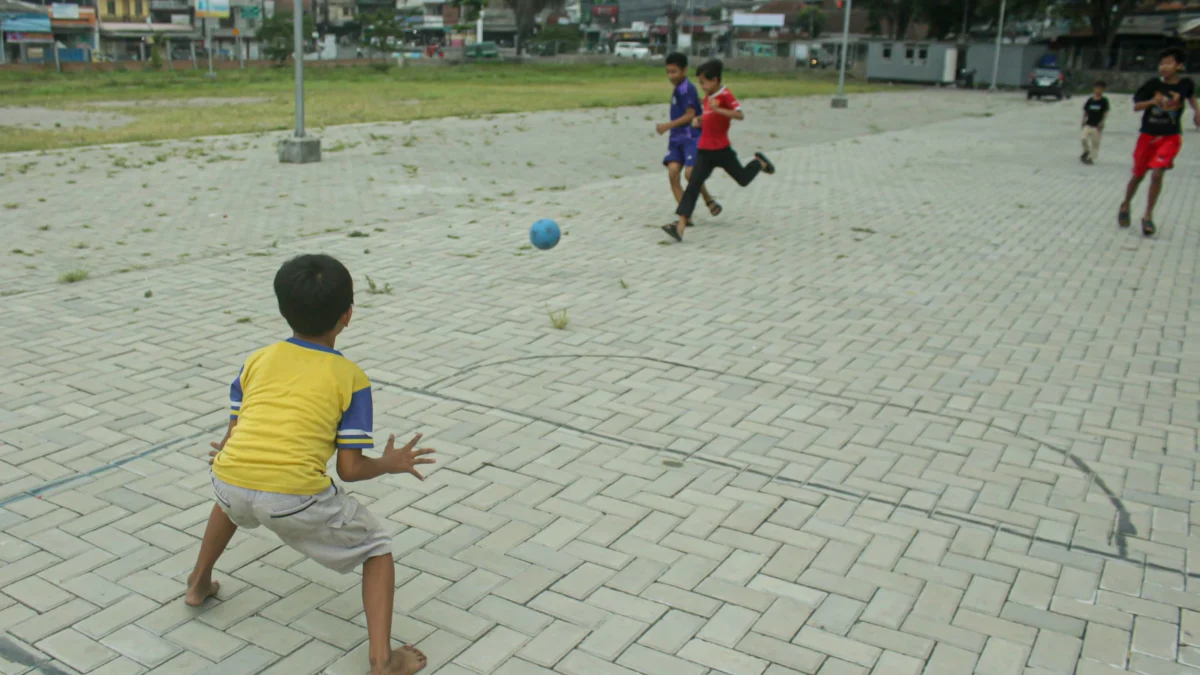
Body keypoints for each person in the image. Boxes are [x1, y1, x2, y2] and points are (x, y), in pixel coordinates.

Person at [185, 254, 435, 675]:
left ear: (284, 309)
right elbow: (350, 470)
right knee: (376, 547)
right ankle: (382, 661)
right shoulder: (350, 377)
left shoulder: (257, 358)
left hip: (228, 477)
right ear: (347, 316)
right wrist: (390, 463)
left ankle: (197, 584)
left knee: (232, 499)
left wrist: (234, 454)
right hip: (292, 497)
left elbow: (235, 430)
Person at [663, 59, 775, 243]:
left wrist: (719, 109)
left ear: (715, 80)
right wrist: (700, 120)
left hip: (722, 150)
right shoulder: (708, 97)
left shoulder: (725, 95)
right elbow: (709, 118)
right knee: (693, 184)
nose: (702, 86)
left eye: (704, 83)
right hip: (705, 150)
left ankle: (759, 163)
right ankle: (680, 226)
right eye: (700, 83)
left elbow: (739, 115)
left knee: (743, 179)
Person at [1118, 48, 1199, 236]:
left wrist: (1197, 112)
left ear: (1179, 66)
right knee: (1138, 175)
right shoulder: (1152, 85)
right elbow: (1137, 106)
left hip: (1170, 138)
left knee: (1157, 174)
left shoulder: (1186, 84)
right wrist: (1152, 102)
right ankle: (1126, 204)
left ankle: (1147, 216)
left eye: (1169, 63)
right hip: (1147, 136)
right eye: (1162, 63)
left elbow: (1191, 97)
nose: (1164, 67)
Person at [657, 52, 721, 219]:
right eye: (668, 72)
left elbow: (689, 115)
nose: (671, 76)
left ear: (684, 70)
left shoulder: (686, 88)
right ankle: (685, 214)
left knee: (690, 174)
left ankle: (708, 200)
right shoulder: (680, 88)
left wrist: (666, 126)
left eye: (674, 72)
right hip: (676, 139)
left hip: (691, 137)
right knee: (672, 173)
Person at [1080, 80, 1109, 164]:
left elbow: (1105, 112)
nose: (1098, 91)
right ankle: (1086, 151)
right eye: (1096, 89)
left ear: (1103, 90)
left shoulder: (1104, 101)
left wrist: (1102, 122)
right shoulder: (1090, 100)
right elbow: (1085, 111)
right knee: (1083, 138)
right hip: (1088, 123)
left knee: (1095, 143)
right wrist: (1083, 120)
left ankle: (1091, 158)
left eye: (1100, 89)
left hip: (1097, 125)